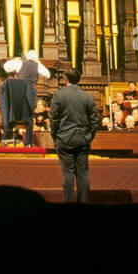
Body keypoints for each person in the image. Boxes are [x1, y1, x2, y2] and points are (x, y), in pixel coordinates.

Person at [49, 68, 99, 203]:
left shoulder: (59, 95)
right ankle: (84, 204)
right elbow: (95, 120)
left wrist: (56, 137)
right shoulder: (87, 96)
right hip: (83, 139)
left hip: (64, 139)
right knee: (83, 174)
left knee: (68, 175)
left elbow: (53, 120)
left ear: (66, 79)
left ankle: (69, 206)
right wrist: (89, 136)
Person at [0, 69, 33, 146]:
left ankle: (4, 140)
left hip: (10, 113)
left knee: (6, 119)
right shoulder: (25, 83)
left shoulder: (5, 84)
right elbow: (29, 98)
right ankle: (28, 143)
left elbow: (2, 99)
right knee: (30, 120)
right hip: (23, 113)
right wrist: (31, 110)